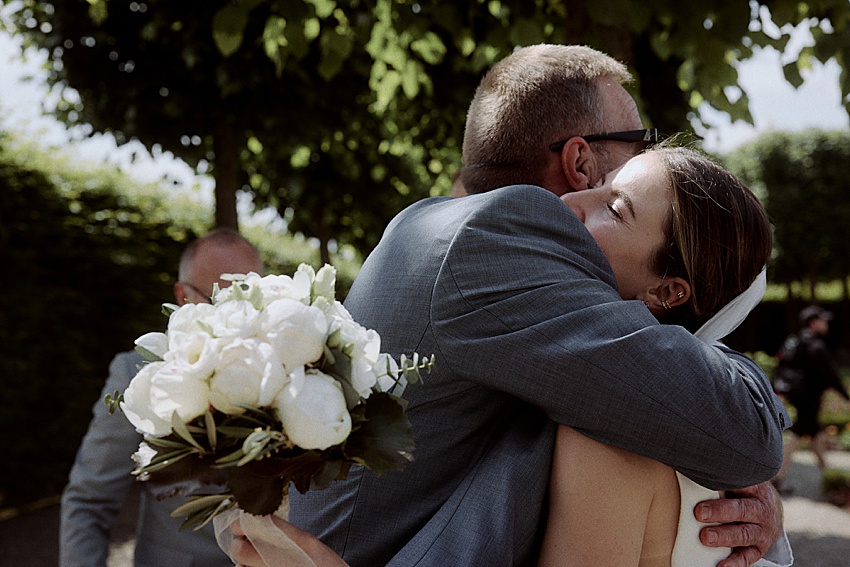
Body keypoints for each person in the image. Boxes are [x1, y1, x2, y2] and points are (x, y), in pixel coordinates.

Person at [286, 44, 788, 567]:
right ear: (580, 160)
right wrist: (741, 474)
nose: (643, 156)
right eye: (637, 142)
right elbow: (741, 434)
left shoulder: (432, 229)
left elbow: (675, 397)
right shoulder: (501, 234)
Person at [60, 228, 265, 567]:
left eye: (248, 298)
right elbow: (89, 504)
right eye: (219, 299)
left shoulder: (292, 368)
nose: (236, 316)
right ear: (183, 296)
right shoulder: (136, 375)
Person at [773, 304, 849, 493]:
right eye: (822, 320)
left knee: (814, 434)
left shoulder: (798, 341)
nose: (826, 323)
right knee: (800, 433)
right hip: (808, 397)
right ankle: (776, 478)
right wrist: (845, 395)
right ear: (813, 323)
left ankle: (832, 480)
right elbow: (830, 374)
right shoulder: (815, 345)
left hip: (800, 396)